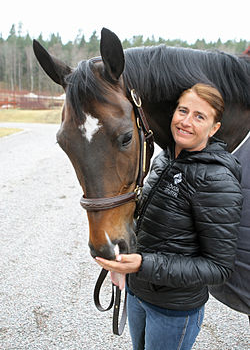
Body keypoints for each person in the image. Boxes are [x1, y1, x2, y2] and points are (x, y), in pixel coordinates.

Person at [95, 83, 243, 350]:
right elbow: (149, 220)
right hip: (137, 292)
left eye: (200, 116)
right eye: (183, 111)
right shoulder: (164, 158)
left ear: (214, 128)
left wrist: (141, 265)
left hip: (173, 310)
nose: (186, 122)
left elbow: (218, 268)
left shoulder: (217, 180)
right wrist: (121, 261)